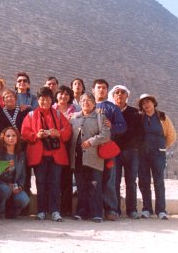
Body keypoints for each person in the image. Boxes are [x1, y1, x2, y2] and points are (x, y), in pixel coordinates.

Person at [21, 86, 71, 221]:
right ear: (38, 100)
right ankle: (41, 210)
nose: (45, 102)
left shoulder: (59, 115)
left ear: (51, 100)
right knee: (41, 182)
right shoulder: (31, 115)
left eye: (48, 99)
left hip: (56, 155)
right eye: (42, 99)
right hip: (40, 155)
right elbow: (25, 133)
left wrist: (58, 133)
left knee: (55, 183)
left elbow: (68, 131)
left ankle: (55, 210)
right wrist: (36, 135)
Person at [68, 92, 111, 223]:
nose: (86, 102)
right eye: (83, 100)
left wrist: (91, 142)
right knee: (81, 186)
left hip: (94, 158)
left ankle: (97, 213)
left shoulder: (100, 117)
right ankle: (82, 212)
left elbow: (106, 135)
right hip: (78, 158)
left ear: (94, 103)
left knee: (95, 186)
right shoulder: (74, 118)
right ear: (80, 103)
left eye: (89, 100)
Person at [137, 93, 176, 220]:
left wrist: (163, 147)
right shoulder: (139, 118)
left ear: (154, 103)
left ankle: (161, 210)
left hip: (158, 153)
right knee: (144, 181)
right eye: (143, 103)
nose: (146, 105)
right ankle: (147, 209)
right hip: (142, 153)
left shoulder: (163, 117)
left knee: (159, 181)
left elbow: (171, 135)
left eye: (148, 102)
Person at [92, 79, 126, 221]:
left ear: (107, 91)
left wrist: (112, 126)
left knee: (109, 179)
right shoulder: (86, 105)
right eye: (98, 87)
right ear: (93, 90)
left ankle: (111, 209)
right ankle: (95, 210)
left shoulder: (113, 108)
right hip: (91, 149)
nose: (101, 90)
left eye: (104, 88)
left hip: (107, 150)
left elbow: (123, 127)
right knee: (94, 180)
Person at [109, 84, 143, 218]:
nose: (120, 95)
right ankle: (115, 208)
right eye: (117, 92)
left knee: (131, 181)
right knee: (115, 181)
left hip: (131, 151)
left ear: (127, 96)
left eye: (123, 92)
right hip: (114, 151)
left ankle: (132, 209)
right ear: (113, 96)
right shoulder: (110, 112)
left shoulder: (135, 112)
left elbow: (140, 133)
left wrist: (135, 147)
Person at [0, 127, 30, 219]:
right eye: (8, 136)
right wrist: (7, 184)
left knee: (24, 199)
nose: (11, 138)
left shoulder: (21, 155)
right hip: (1, 186)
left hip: (15, 186)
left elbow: (23, 174)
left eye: (13, 136)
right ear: (3, 138)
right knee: (4, 190)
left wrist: (20, 186)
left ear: (17, 138)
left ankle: (12, 214)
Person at [53, 85, 78, 217]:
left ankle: (66, 208)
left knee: (67, 177)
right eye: (61, 94)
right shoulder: (50, 109)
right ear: (56, 95)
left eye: (67, 94)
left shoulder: (75, 111)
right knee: (53, 177)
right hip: (54, 146)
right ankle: (52, 207)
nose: (63, 96)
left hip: (70, 146)